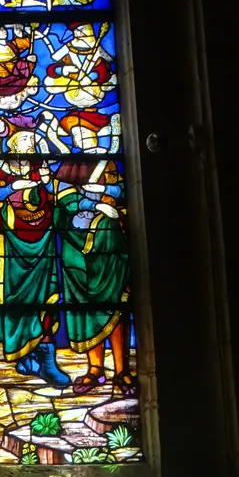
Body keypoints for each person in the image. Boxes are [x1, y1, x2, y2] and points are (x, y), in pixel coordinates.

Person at [0, 126, 69, 387]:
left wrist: (45, 182)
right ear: (12, 146)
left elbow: (56, 200)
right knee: (14, 300)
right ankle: (23, 354)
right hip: (9, 246)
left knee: (45, 298)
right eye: (25, 140)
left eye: (33, 141)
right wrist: (10, 189)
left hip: (42, 242)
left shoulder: (41, 169)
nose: (31, 144)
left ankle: (46, 358)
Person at [54, 158, 136, 396]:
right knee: (85, 309)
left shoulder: (108, 164)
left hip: (109, 247)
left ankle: (122, 370)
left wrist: (105, 199)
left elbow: (121, 194)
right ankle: (95, 369)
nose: (82, 137)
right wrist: (93, 205)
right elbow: (63, 202)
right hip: (76, 251)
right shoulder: (69, 164)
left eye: (86, 132)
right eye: (78, 132)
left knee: (117, 304)